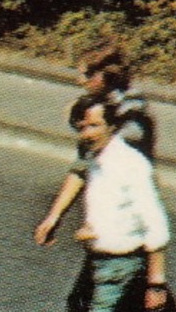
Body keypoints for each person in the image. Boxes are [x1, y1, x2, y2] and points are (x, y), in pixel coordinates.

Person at [43, 98, 176, 312]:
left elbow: (155, 224)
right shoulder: (96, 157)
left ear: (112, 126)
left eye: (94, 126)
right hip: (98, 263)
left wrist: (156, 283)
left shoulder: (130, 164)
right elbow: (93, 189)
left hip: (121, 265)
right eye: (82, 127)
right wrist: (61, 220)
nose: (86, 134)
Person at [34, 42, 156, 249]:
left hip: (126, 227)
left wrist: (97, 223)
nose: (79, 80)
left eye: (86, 75)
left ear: (104, 76)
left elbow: (119, 174)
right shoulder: (98, 107)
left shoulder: (131, 113)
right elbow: (83, 166)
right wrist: (54, 216)